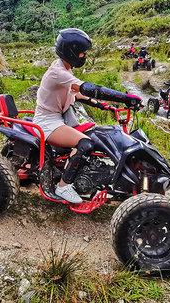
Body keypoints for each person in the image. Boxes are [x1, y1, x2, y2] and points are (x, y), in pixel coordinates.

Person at [33, 28, 142, 204]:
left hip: (62, 117)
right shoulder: (58, 73)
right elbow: (89, 89)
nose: (84, 56)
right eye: (82, 53)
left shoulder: (65, 69)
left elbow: (78, 94)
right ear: (72, 52)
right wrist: (126, 98)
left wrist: (105, 106)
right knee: (85, 143)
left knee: (98, 135)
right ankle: (63, 187)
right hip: (48, 121)